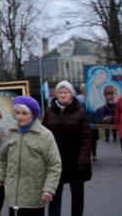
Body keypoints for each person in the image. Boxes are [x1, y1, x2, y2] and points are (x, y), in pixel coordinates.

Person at [0, 96, 62, 216]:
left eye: (24, 113)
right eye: (17, 113)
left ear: (33, 114)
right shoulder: (10, 132)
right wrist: (1, 175)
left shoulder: (44, 135)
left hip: (34, 194)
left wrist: (49, 189)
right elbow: (3, 157)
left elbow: (54, 165)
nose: (19, 117)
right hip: (13, 193)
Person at [43, 81, 92, 216]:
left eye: (66, 92)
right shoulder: (49, 112)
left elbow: (87, 138)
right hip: (55, 161)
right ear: (56, 94)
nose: (63, 95)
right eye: (60, 92)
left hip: (76, 161)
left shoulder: (80, 112)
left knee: (77, 195)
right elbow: (43, 135)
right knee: (53, 193)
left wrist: (83, 160)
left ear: (71, 95)